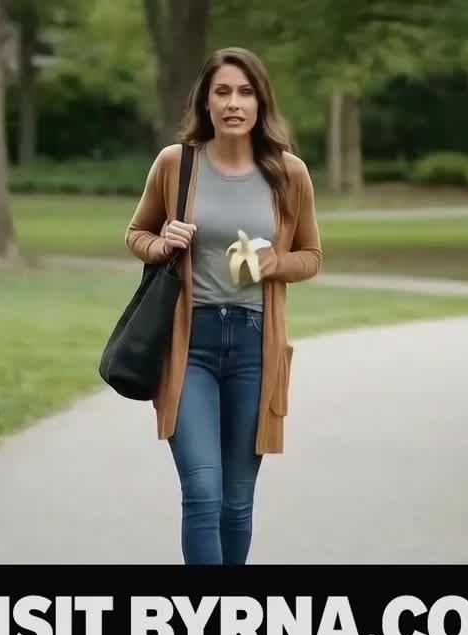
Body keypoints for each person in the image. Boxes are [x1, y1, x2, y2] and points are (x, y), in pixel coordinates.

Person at [124, 47, 323, 567]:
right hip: (190, 347)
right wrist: (162, 241)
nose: (234, 103)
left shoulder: (288, 173)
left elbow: (312, 257)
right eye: (222, 92)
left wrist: (274, 262)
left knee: (235, 504)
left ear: (260, 102)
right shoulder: (177, 164)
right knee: (204, 493)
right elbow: (136, 233)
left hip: (256, 349)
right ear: (206, 103)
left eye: (245, 92)